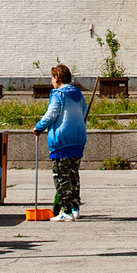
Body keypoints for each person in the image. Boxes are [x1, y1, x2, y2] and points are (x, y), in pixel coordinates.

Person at [33, 64, 88, 221]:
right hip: (78, 140)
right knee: (73, 176)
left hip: (62, 140)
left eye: (52, 78)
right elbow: (83, 112)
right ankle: (75, 207)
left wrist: (39, 127)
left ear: (57, 78)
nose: (51, 81)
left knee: (61, 177)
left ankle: (66, 210)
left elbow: (52, 114)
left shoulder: (58, 94)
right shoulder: (77, 94)